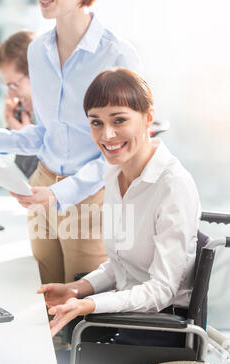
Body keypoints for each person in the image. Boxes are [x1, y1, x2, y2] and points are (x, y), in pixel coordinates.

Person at [0, 0, 142, 286]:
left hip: (91, 196)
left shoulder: (118, 53)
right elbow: (47, 133)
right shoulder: (37, 51)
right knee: (44, 302)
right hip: (42, 186)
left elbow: (123, 150)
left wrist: (60, 193)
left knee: (81, 309)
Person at [37, 68, 201, 343]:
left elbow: (162, 290)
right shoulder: (113, 175)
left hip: (160, 329)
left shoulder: (173, 186)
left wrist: (91, 304)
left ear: (148, 117)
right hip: (126, 319)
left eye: (119, 120)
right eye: (96, 123)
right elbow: (121, 265)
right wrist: (77, 289)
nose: (107, 134)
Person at [0, 30, 39, 178]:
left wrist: (25, 142)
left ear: (37, 74)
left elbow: (49, 187)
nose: (10, 95)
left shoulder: (67, 117)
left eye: (14, 85)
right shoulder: (30, 118)